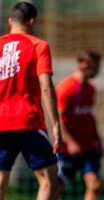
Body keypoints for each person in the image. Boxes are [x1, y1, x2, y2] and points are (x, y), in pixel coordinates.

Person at [0, 2, 62, 200]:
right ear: (32, 22)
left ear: (10, 21)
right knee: (49, 180)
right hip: (29, 121)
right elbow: (45, 86)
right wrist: (56, 125)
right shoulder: (38, 45)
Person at [56, 50, 102, 200]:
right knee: (56, 187)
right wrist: (71, 143)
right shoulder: (67, 88)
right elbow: (56, 119)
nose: (98, 70)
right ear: (83, 65)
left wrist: (98, 141)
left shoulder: (91, 88)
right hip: (67, 150)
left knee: (94, 184)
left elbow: (89, 117)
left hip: (88, 148)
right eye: (96, 66)